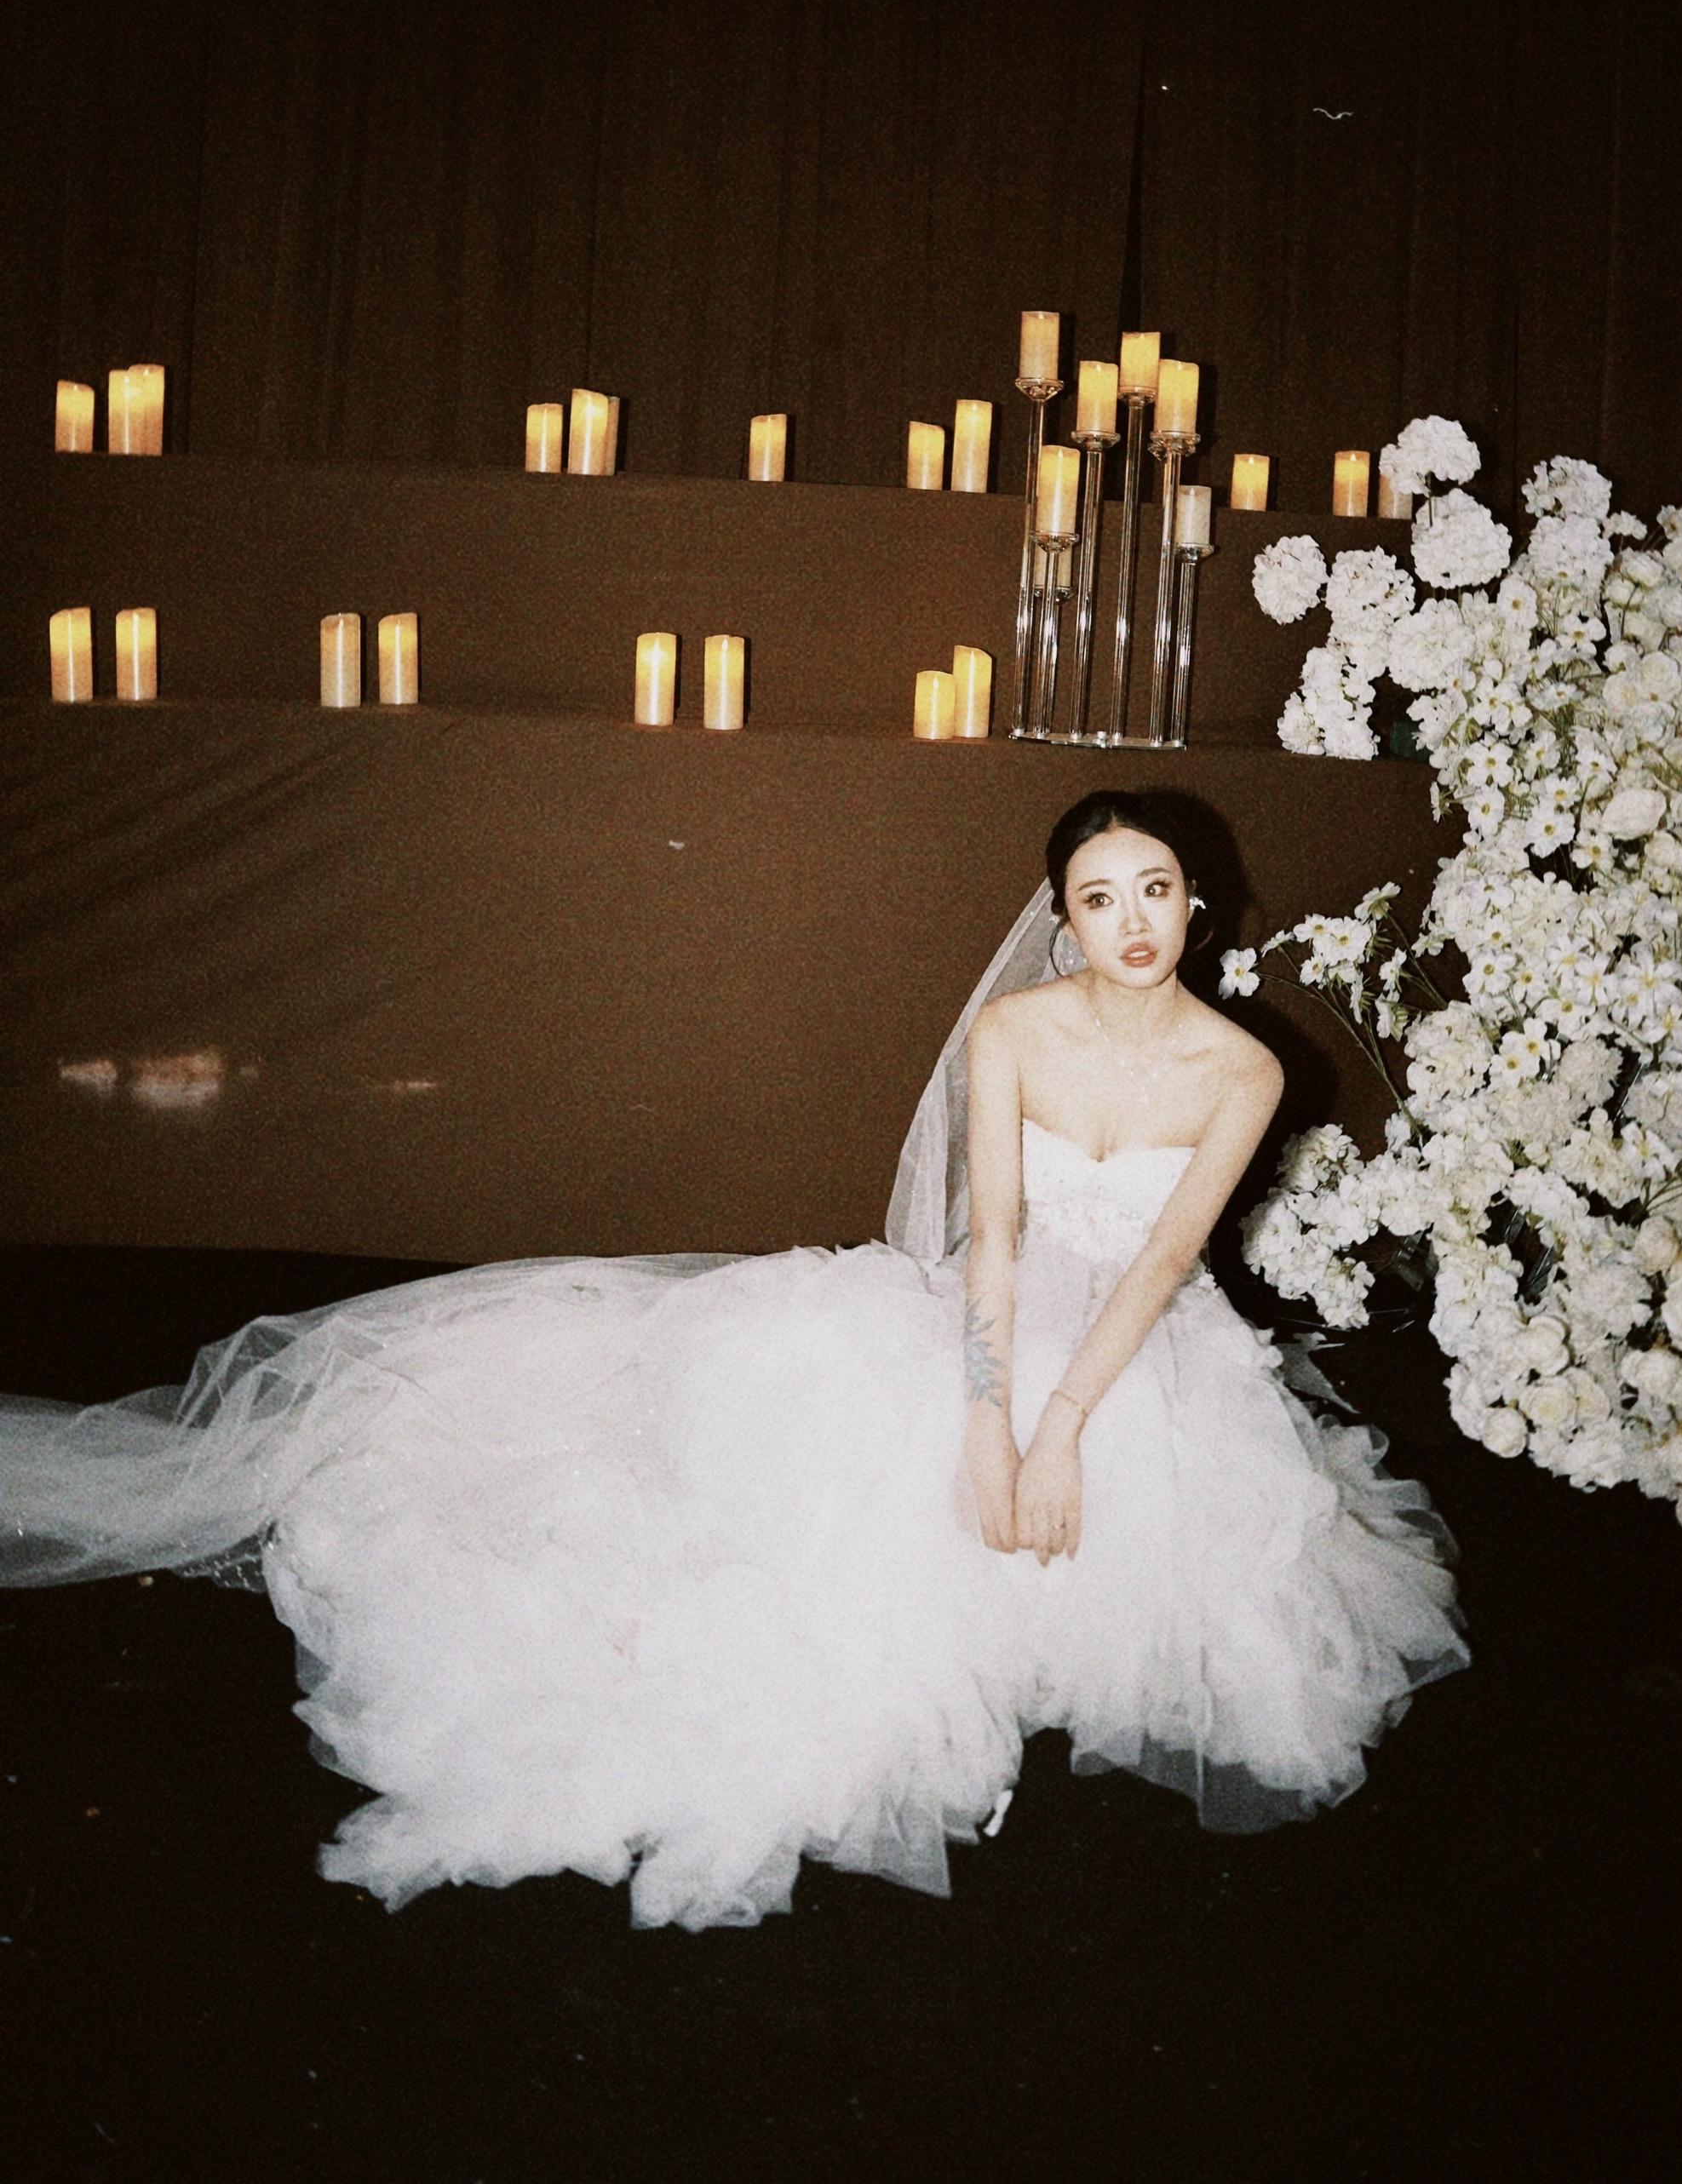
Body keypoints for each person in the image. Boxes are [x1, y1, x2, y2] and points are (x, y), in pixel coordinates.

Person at [0, 789, 1465, 1929]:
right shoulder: (1014, 1031)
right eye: (1098, 897)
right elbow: (997, 1241)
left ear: (1198, 902)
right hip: (993, 1316)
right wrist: (987, 1418)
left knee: (1146, 1557)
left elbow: (1159, 1262)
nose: (1131, 921)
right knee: (823, 1522)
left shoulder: (1246, 1066)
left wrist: (1066, 1422)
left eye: (1155, 889)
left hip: (1138, 1344)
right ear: (1063, 919)